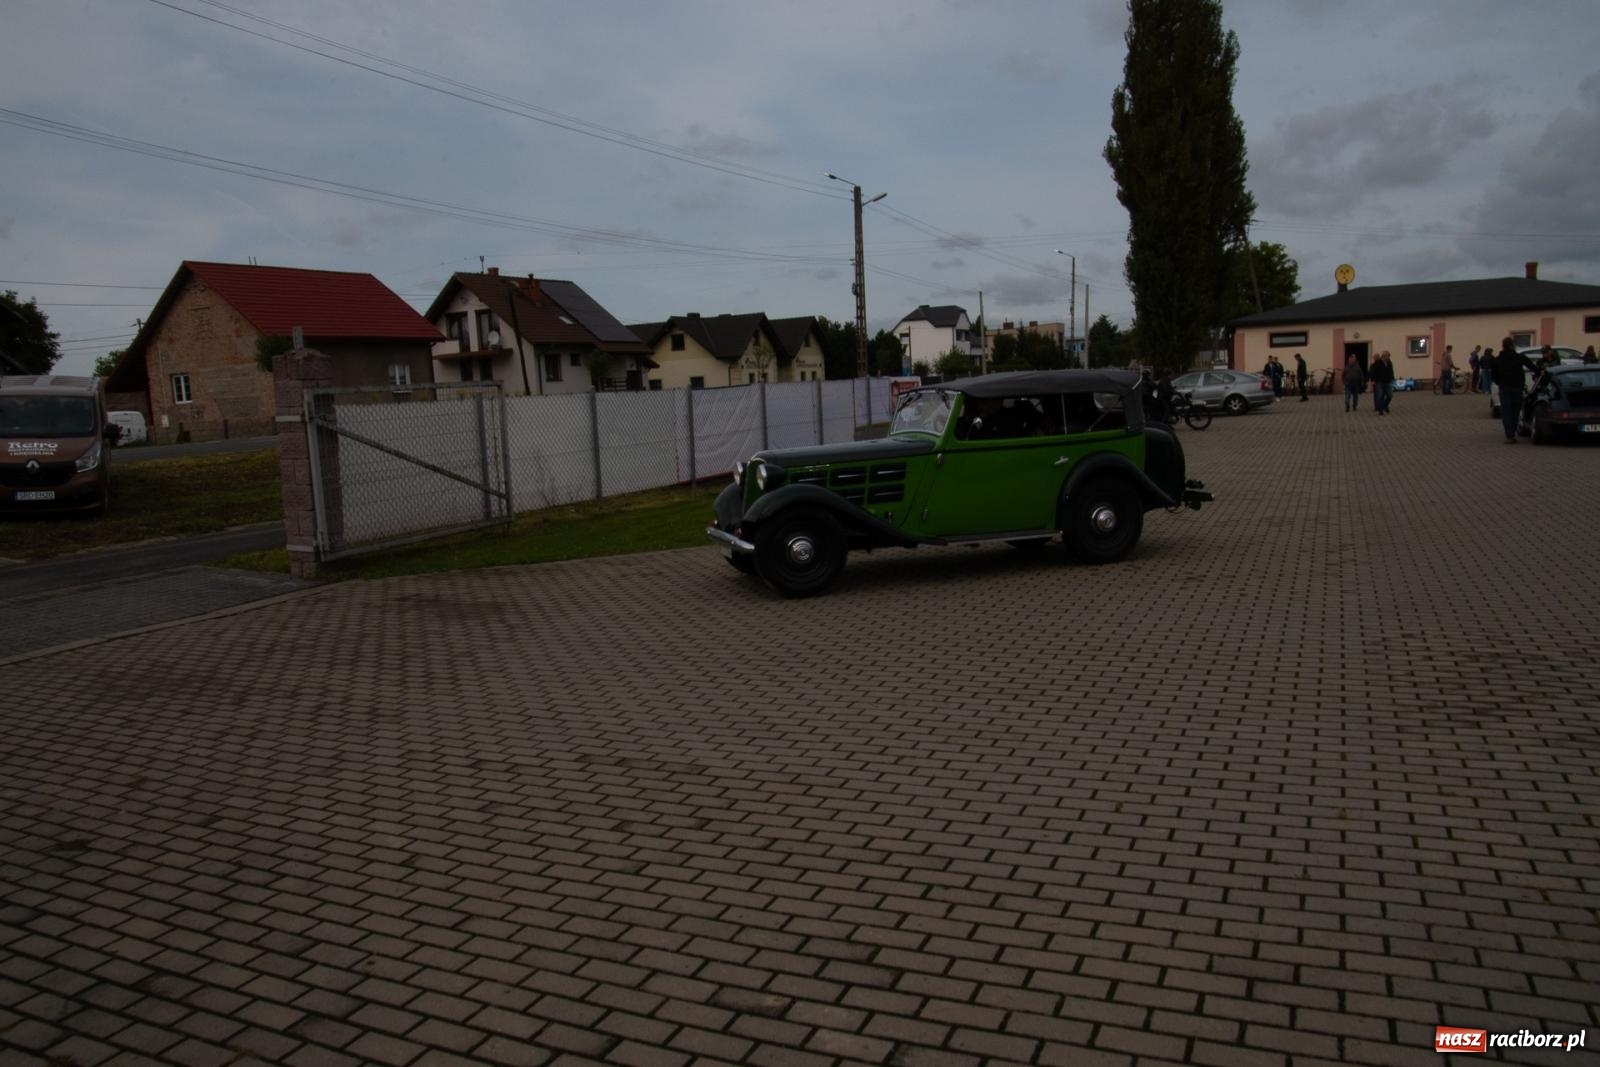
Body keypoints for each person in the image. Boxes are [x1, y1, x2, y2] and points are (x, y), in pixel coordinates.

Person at [1492, 337, 1539, 443]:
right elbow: (1533, 367)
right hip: (1517, 388)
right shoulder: (1519, 357)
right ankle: (1512, 431)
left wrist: (1500, 383)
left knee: (1506, 412)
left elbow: (1494, 376)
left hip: (1504, 388)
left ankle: (1510, 435)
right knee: (1516, 411)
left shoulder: (1498, 360)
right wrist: (1539, 372)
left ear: (1503, 346)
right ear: (1512, 345)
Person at [1370, 350, 1395, 415]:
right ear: (1384, 356)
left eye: (1389, 356)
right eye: (1388, 356)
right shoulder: (1378, 362)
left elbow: (1391, 371)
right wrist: (1373, 380)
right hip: (1379, 382)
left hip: (1388, 381)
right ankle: (1380, 410)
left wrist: (1392, 378)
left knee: (1390, 395)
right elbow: (1373, 371)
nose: (1389, 357)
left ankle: (1385, 405)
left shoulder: (1389, 363)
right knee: (1380, 396)